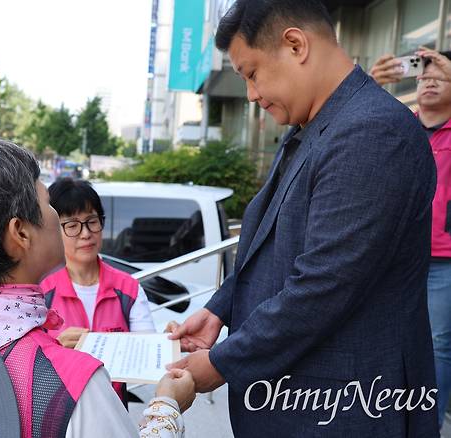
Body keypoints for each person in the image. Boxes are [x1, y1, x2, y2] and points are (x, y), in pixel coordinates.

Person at [166, 0, 439, 436]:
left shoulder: (372, 133)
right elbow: (272, 242)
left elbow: (324, 286)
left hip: (345, 408)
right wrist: (220, 308)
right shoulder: (311, 125)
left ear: (295, 45)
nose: (251, 94)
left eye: (252, 73)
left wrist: (219, 363)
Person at [0, 137, 195, 438]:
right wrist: (167, 406)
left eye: (91, 222)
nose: (60, 220)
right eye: (47, 204)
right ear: (20, 233)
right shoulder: (74, 384)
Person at [370, 48, 451, 430]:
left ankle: (427, 425)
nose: (429, 81)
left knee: (438, 344)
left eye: (440, 76)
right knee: (389, 339)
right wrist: (371, 86)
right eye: (423, 76)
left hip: (444, 259)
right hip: (397, 255)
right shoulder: (401, 125)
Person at [40, 178, 156, 405]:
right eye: (72, 225)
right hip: (60, 415)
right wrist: (56, 348)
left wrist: (170, 342)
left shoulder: (128, 288)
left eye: (92, 221)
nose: (86, 233)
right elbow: (23, 365)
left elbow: (148, 353)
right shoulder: (39, 292)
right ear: (53, 230)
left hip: (113, 411)